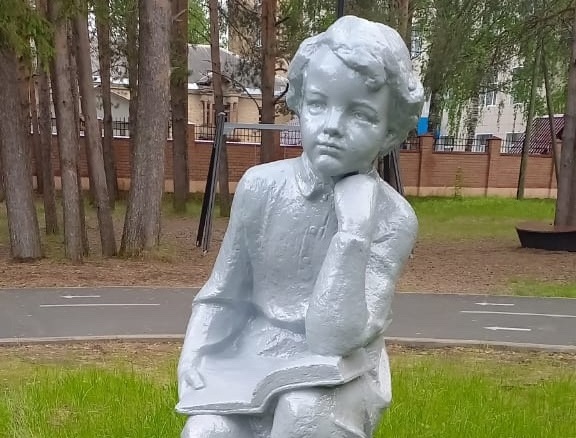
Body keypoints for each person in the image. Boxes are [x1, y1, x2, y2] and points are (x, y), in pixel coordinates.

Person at [177, 15, 424, 438]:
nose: (331, 126)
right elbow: (223, 294)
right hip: (254, 355)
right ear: (299, 104)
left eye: (360, 114)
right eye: (318, 104)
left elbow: (336, 338)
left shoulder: (393, 219)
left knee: (303, 413)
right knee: (206, 432)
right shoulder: (261, 187)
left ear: (389, 132)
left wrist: (353, 233)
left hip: (342, 371)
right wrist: (195, 354)